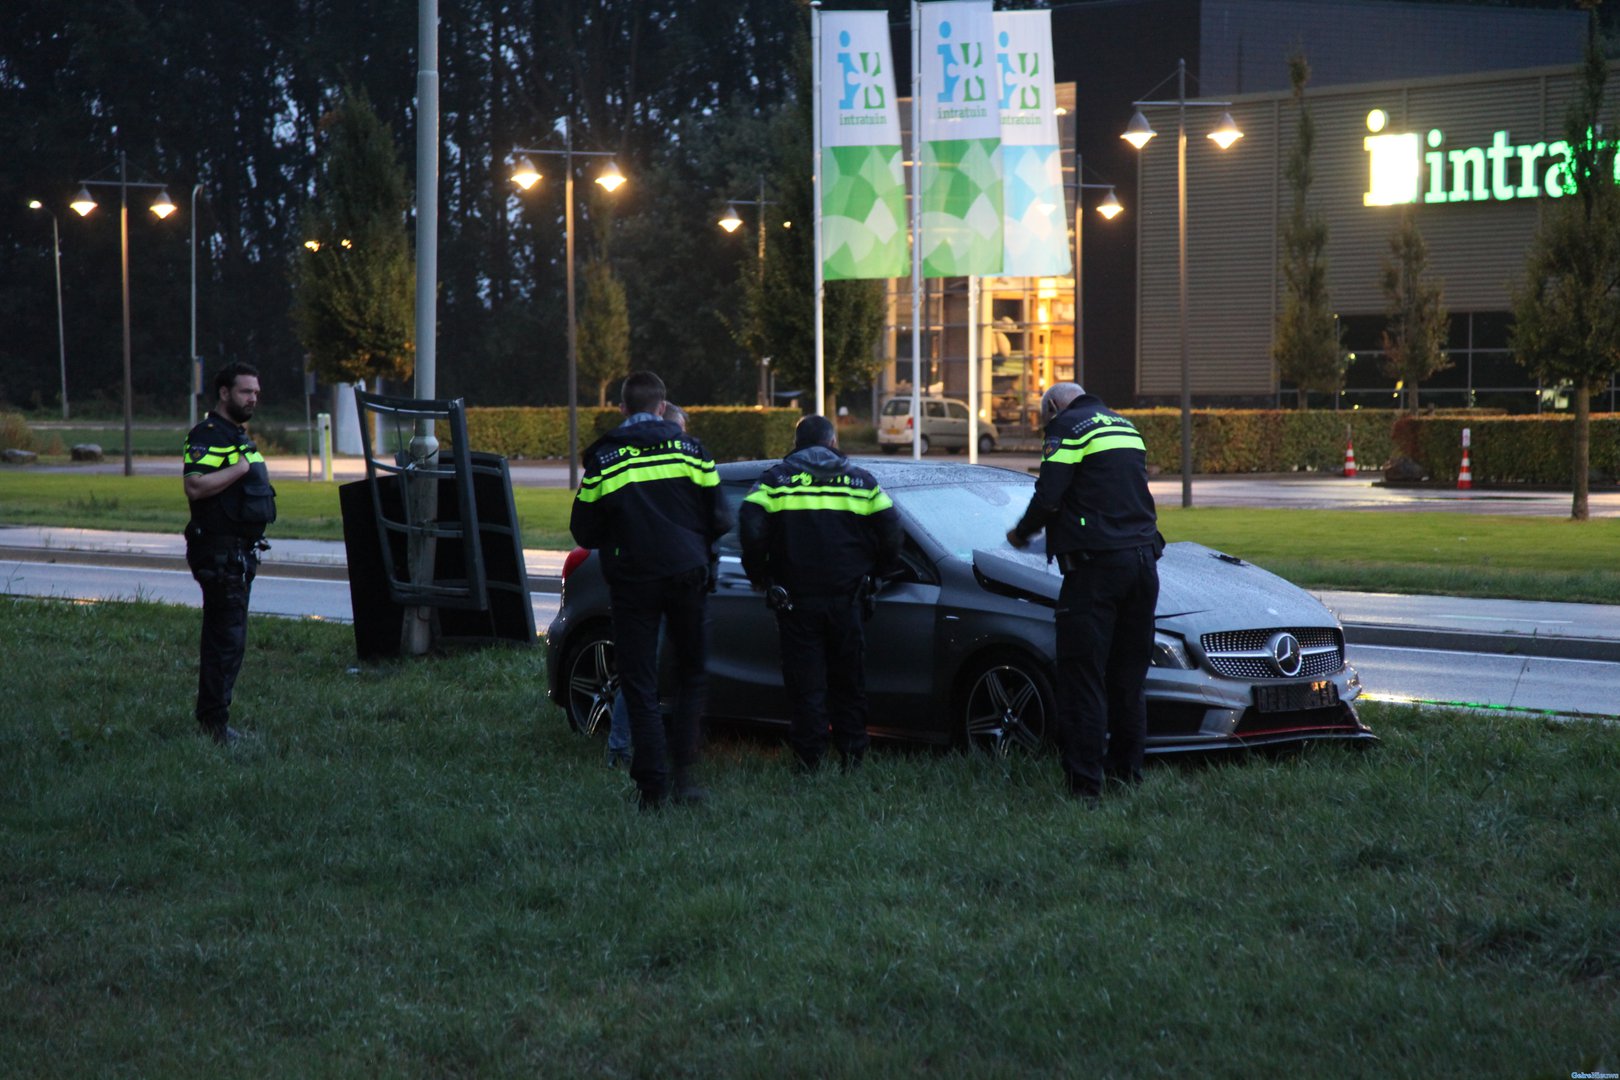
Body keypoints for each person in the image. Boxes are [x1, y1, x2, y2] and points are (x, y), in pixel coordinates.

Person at [571, 374, 730, 809]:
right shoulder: (693, 450)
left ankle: (651, 786)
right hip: (687, 574)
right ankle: (686, 778)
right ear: (662, 408)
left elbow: (582, 528)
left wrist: (622, 537)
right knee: (690, 674)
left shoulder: (605, 458)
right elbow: (720, 517)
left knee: (640, 682)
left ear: (622, 408)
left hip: (634, 580)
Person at [1005, 381, 1160, 802]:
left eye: (1043, 418)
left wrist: (1021, 534)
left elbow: (1049, 495)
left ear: (1054, 406)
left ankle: (1085, 788)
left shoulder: (1068, 427)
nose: (1045, 427)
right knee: (1128, 681)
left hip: (1096, 570)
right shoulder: (1125, 426)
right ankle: (1127, 778)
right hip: (1144, 564)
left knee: (1083, 678)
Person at [739, 414, 902, 772]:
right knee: (848, 680)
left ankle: (809, 761)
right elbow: (892, 531)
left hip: (796, 599)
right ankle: (853, 756)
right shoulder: (861, 481)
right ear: (832, 443)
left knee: (806, 683)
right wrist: (878, 574)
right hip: (848, 598)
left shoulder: (776, 480)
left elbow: (750, 525)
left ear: (797, 444)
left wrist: (760, 574)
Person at [182, 361, 278, 745]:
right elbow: (195, 486)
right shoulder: (209, 434)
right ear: (224, 393)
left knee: (230, 640)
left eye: (256, 392)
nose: (253, 398)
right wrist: (238, 469)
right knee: (225, 640)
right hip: (220, 553)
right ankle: (215, 728)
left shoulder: (236, 436)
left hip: (238, 554)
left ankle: (215, 722)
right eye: (245, 391)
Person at [605, 402, 687, 768]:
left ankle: (627, 746)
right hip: (656, 583)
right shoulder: (673, 474)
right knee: (643, 670)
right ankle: (621, 747)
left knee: (643, 670)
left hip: (642, 581)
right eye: (680, 432)